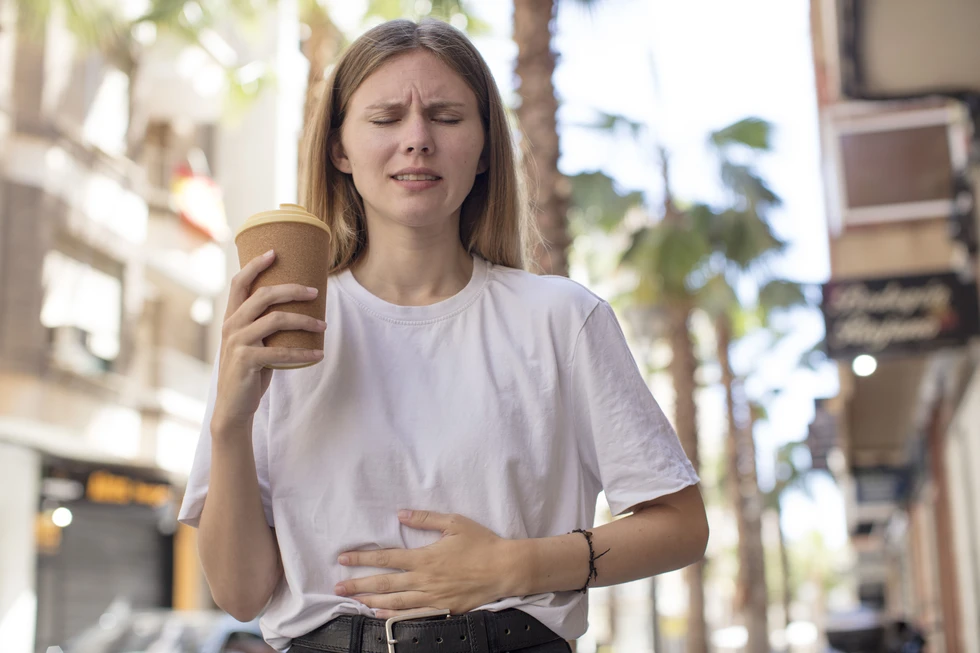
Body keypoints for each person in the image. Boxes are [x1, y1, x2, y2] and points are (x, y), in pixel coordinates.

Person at [178, 17, 709, 653]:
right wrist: (229, 423)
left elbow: (680, 527)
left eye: (447, 116)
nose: (417, 140)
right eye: (385, 118)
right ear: (339, 149)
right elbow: (240, 594)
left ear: (486, 147)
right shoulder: (281, 326)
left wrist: (516, 566)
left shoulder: (563, 319)